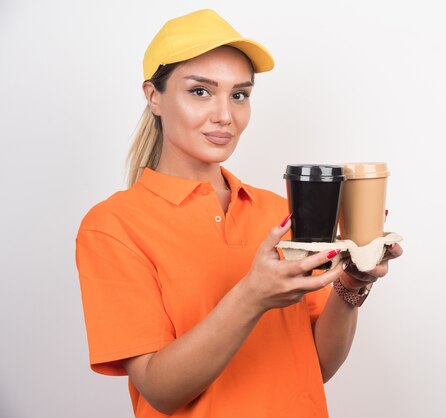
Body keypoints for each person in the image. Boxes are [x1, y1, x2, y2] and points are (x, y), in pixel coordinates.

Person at [75, 9, 403, 418]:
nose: (225, 115)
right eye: (200, 91)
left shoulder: (279, 212)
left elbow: (316, 365)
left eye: (239, 94)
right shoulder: (113, 227)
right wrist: (251, 297)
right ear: (154, 96)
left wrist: (351, 285)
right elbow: (160, 389)